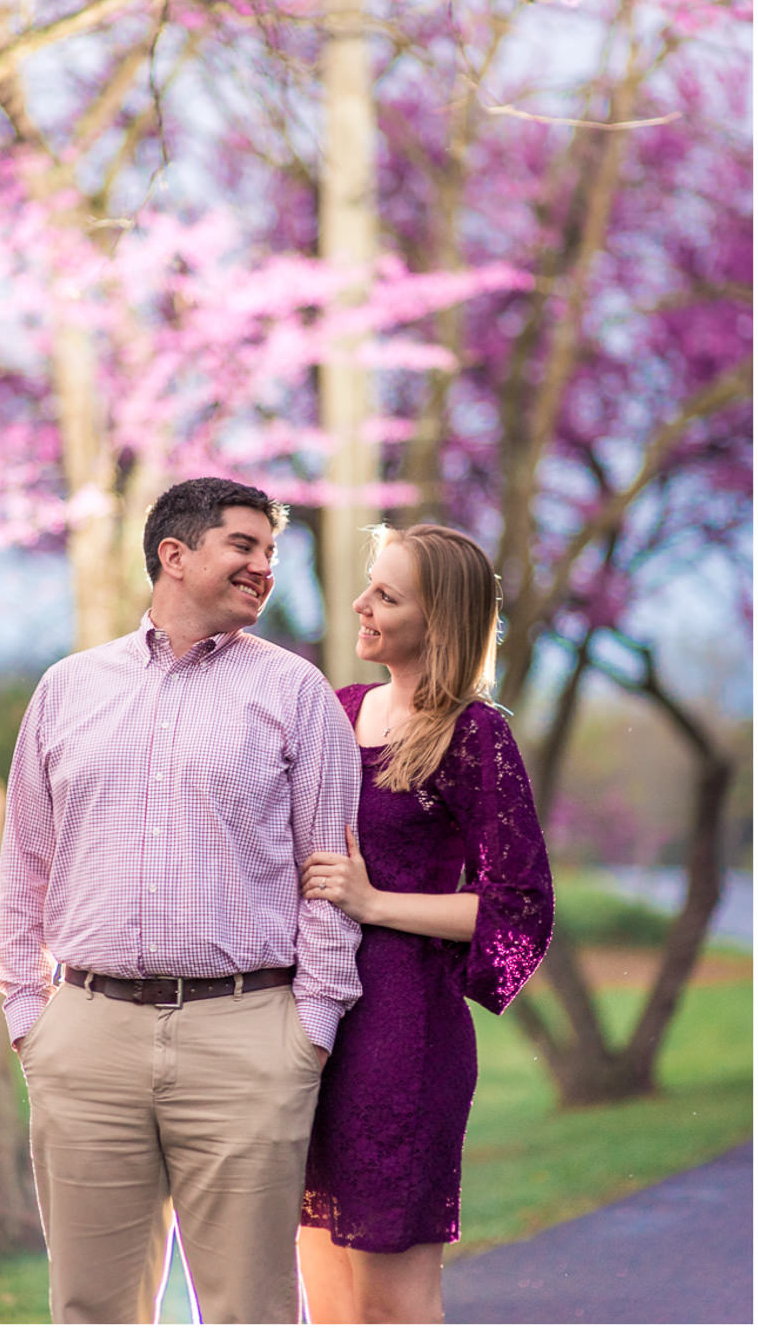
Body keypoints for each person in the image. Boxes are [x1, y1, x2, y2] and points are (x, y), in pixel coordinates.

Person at [0, 475, 364, 1325]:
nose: (263, 568)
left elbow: (330, 873)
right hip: (86, 1035)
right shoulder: (67, 689)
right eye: (244, 547)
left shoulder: (296, 693)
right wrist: (27, 1012)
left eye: (270, 553)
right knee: (91, 1306)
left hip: (248, 1036)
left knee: (252, 1309)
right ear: (175, 553)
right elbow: (25, 866)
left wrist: (310, 1027)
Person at [294, 524, 554, 1324]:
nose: (359, 604)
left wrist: (374, 903)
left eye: (386, 595)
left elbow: (519, 905)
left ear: (438, 622)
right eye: (369, 585)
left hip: (403, 1038)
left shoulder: (475, 735)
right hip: (309, 1026)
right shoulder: (334, 712)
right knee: (324, 1294)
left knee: (390, 1301)